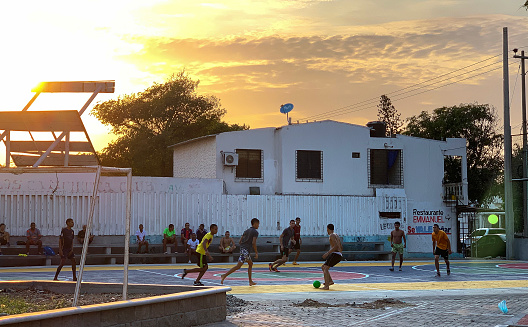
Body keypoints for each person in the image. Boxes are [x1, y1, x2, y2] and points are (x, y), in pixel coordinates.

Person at [221, 218, 259, 286]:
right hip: (245, 250)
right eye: (258, 224)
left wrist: (243, 245)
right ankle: (224, 275)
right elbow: (253, 243)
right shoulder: (255, 232)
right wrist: (256, 252)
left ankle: (250, 281)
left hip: (243, 249)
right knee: (238, 266)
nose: (258, 226)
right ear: (255, 224)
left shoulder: (246, 231)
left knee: (250, 264)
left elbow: (240, 241)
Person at [321, 223, 343, 290]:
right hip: (338, 254)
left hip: (336, 254)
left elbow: (335, 246)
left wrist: (327, 253)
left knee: (325, 268)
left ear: (328, 229)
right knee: (323, 267)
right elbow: (340, 246)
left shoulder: (331, 235)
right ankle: (330, 281)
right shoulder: (336, 235)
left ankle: (326, 286)